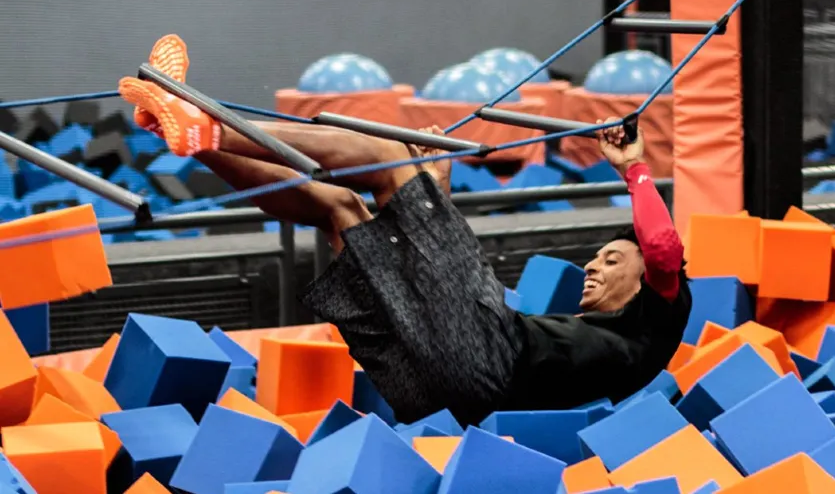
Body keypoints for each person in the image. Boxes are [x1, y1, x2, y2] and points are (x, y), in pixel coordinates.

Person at [119, 35, 691, 426]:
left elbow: (664, 248)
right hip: (434, 395)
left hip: (490, 362)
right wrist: (434, 202)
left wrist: (634, 168)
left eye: (613, 260)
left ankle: (208, 125)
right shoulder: (596, 346)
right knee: (341, 210)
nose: (592, 265)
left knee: (390, 157)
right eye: (599, 257)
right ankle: (187, 137)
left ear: (650, 280)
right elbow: (443, 323)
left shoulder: (657, 320)